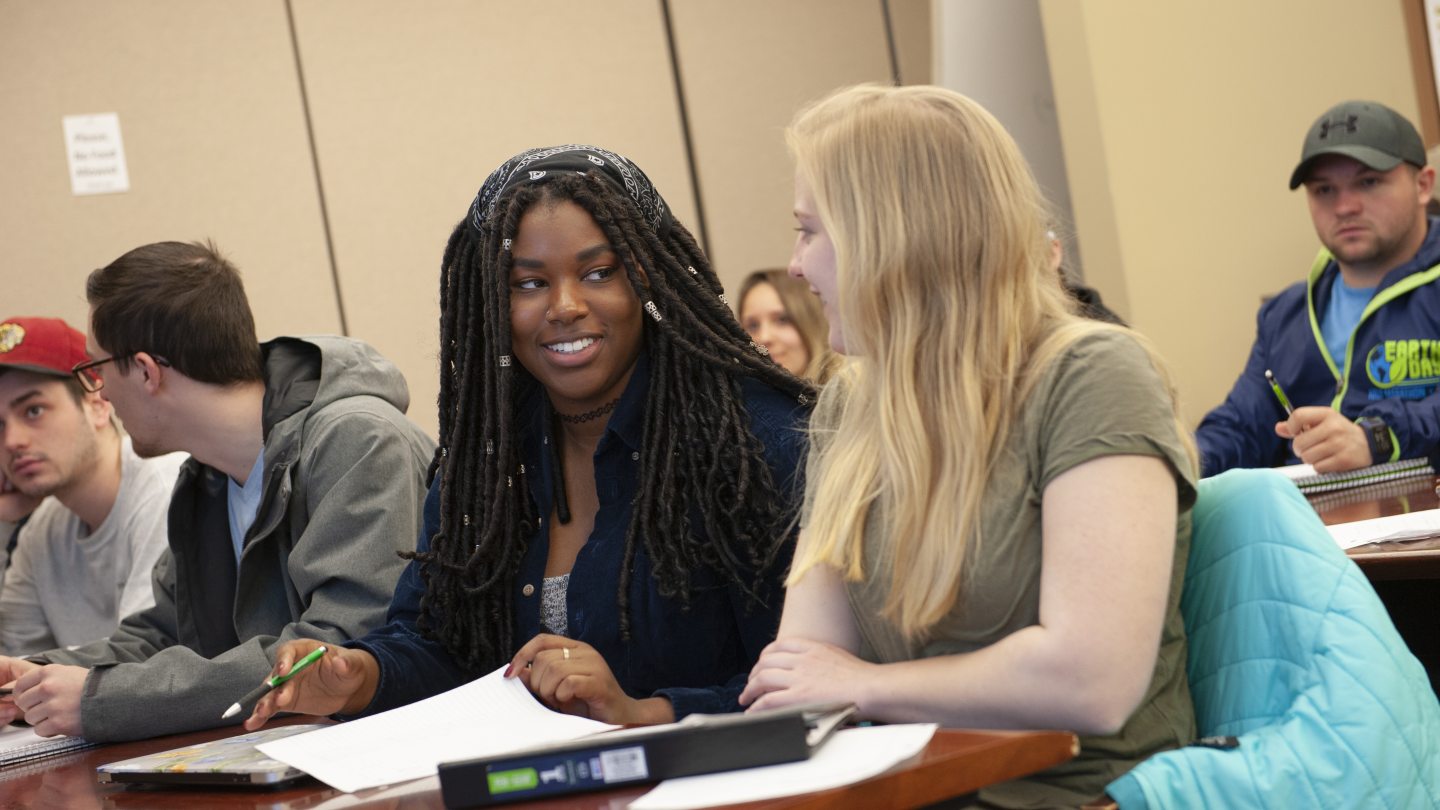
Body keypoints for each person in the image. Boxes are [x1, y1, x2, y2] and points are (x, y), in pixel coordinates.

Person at [243, 145, 810, 732]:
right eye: (530, 283)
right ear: (493, 303)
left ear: (645, 276)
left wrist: (647, 712)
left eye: (598, 273)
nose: (565, 306)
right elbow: (443, 647)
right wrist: (358, 675)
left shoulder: (752, 442)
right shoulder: (487, 458)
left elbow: (811, 675)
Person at [738, 85, 1198, 807]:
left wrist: (867, 686)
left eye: (809, 231)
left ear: (891, 236)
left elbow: (1092, 682)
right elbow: (800, 675)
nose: (795, 266)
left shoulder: (1091, 374)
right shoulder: (853, 401)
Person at [0, 241, 435, 742]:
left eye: (95, 371)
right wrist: (29, 678)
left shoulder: (358, 441)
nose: (100, 392)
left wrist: (103, 699)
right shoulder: (204, 478)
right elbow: (163, 633)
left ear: (145, 371)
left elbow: (332, 656)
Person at [1196, 100, 1440, 476]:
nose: (1344, 206)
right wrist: (1179, 461)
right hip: (1311, 527)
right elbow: (1242, 426)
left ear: (1423, 185)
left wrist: (1376, 437)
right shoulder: (1284, 314)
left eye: (1368, 182)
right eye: (1324, 190)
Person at [0, 316, 184, 656]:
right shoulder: (39, 531)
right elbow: (9, 663)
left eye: (34, 410)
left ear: (98, 404)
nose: (12, 441)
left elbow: (146, 659)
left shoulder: (166, 486)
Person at [737, 268, 842, 384]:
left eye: (782, 320)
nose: (765, 337)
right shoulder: (735, 398)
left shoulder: (853, 397)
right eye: (753, 326)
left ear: (814, 324)